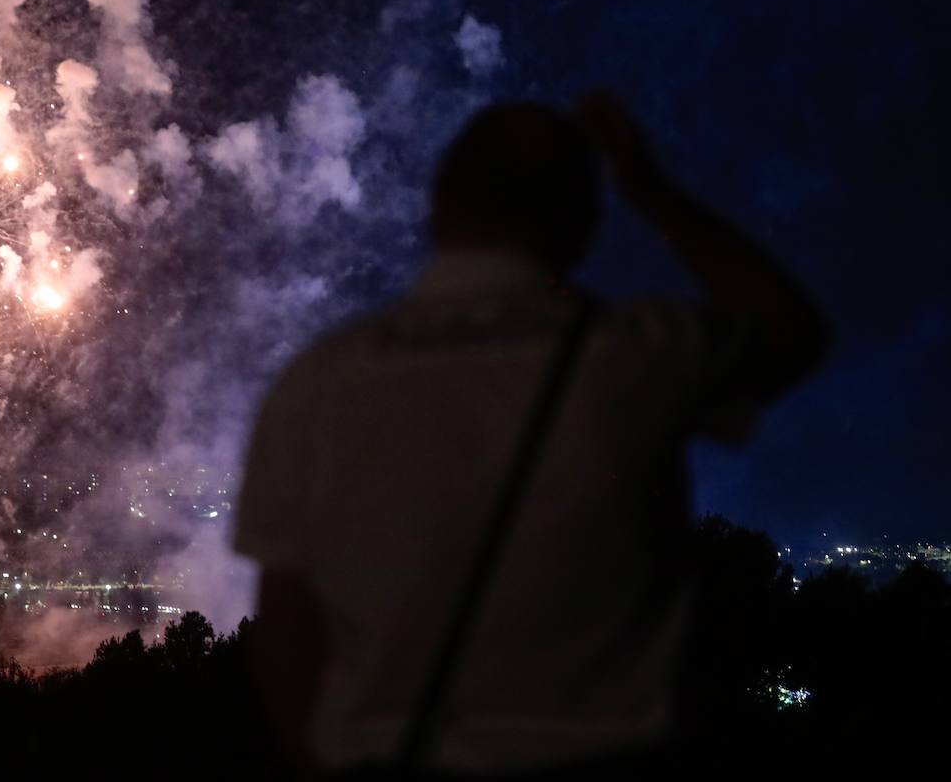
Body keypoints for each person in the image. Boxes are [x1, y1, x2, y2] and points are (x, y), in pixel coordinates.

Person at [232, 94, 828, 777]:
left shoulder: (316, 381)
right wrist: (654, 192)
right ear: (584, 226)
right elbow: (794, 332)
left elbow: (284, 629)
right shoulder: (632, 355)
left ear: (437, 208)